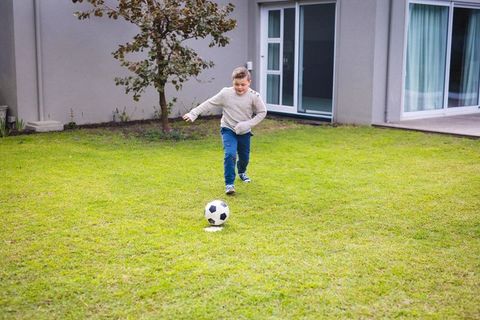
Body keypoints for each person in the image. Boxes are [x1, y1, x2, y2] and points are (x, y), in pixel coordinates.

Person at [183, 66, 267, 195]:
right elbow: (209, 103)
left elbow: (262, 112)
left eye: (243, 85)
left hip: (244, 132)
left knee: (244, 158)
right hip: (228, 129)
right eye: (236, 84)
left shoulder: (254, 96)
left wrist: (247, 124)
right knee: (230, 154)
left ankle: (242, 171)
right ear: (232, 82)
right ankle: (229, 184)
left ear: (249, 82)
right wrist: (193, 113)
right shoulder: (226, 93)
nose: (239, 87)